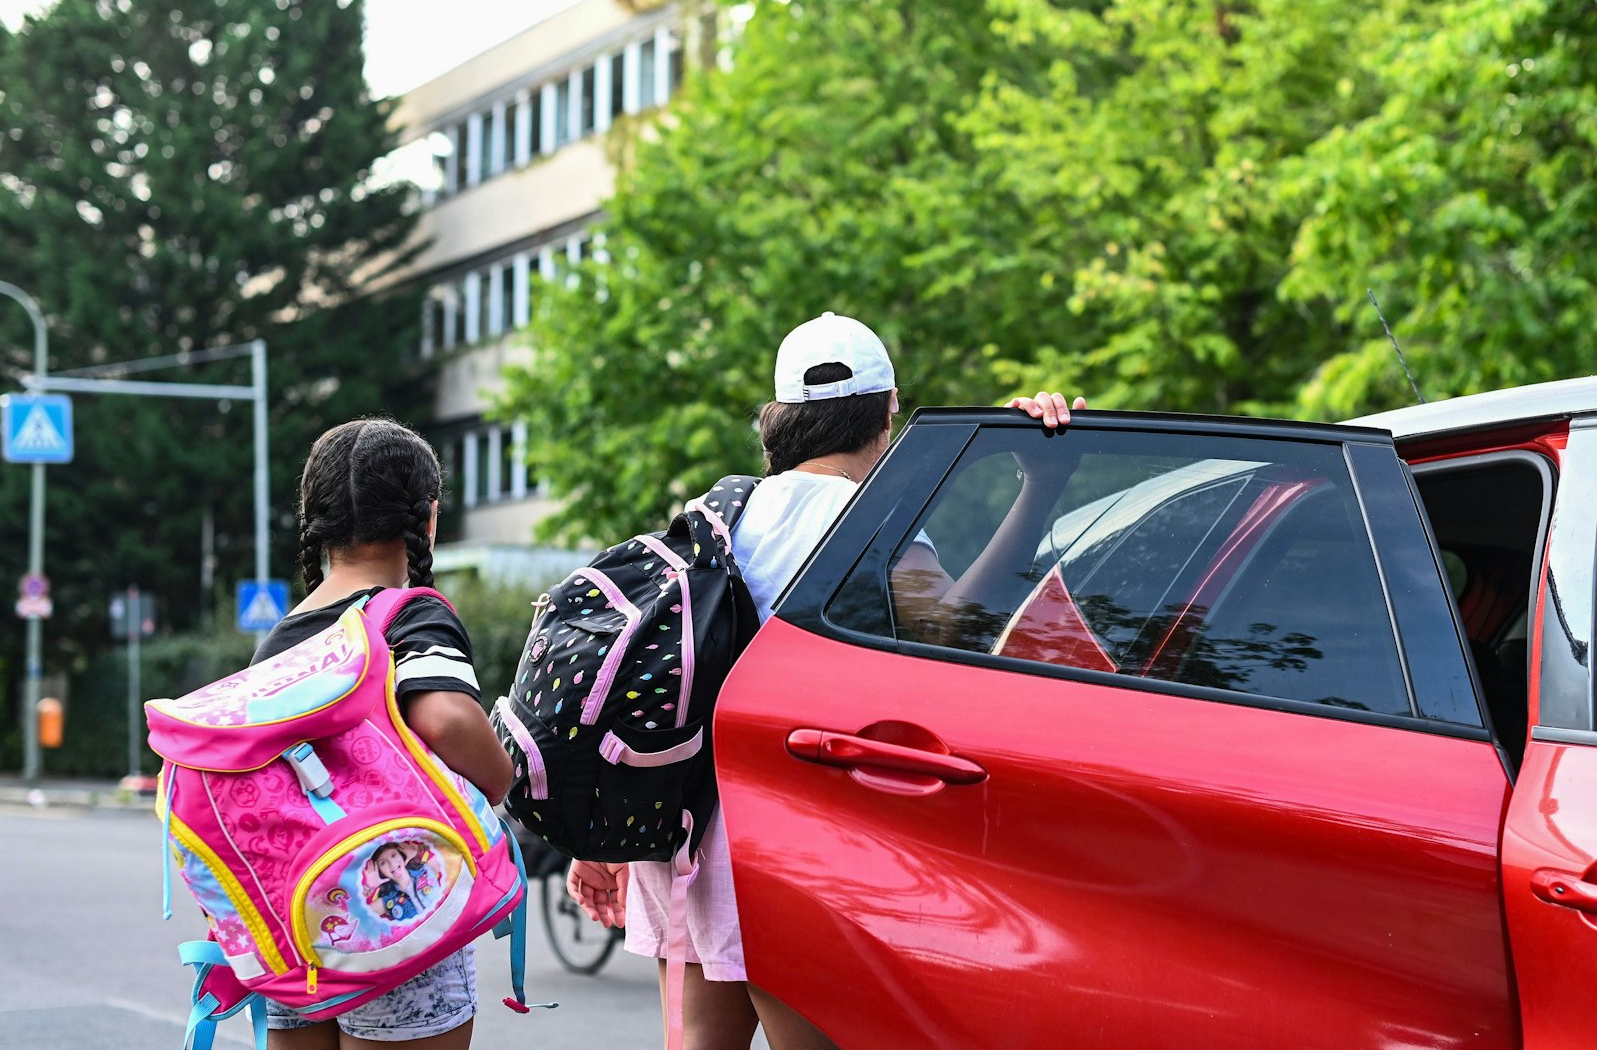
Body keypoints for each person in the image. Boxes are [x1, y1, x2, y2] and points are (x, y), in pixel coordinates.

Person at [568, 313, 1084, 1050]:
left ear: (779, 421)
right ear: (886, 410)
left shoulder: (719, 512)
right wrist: (1039, 490)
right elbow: (950, 628)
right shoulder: (862, 519)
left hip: (684, 823)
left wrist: (608, 837)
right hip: (791, 834)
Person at [261, 417, 512, 1050]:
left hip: (297, 929)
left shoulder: (281, 637)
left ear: (316, 522)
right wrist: (500, 773)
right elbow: (446, 717)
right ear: (427, 518)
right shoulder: (409, 615)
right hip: (394, 911)